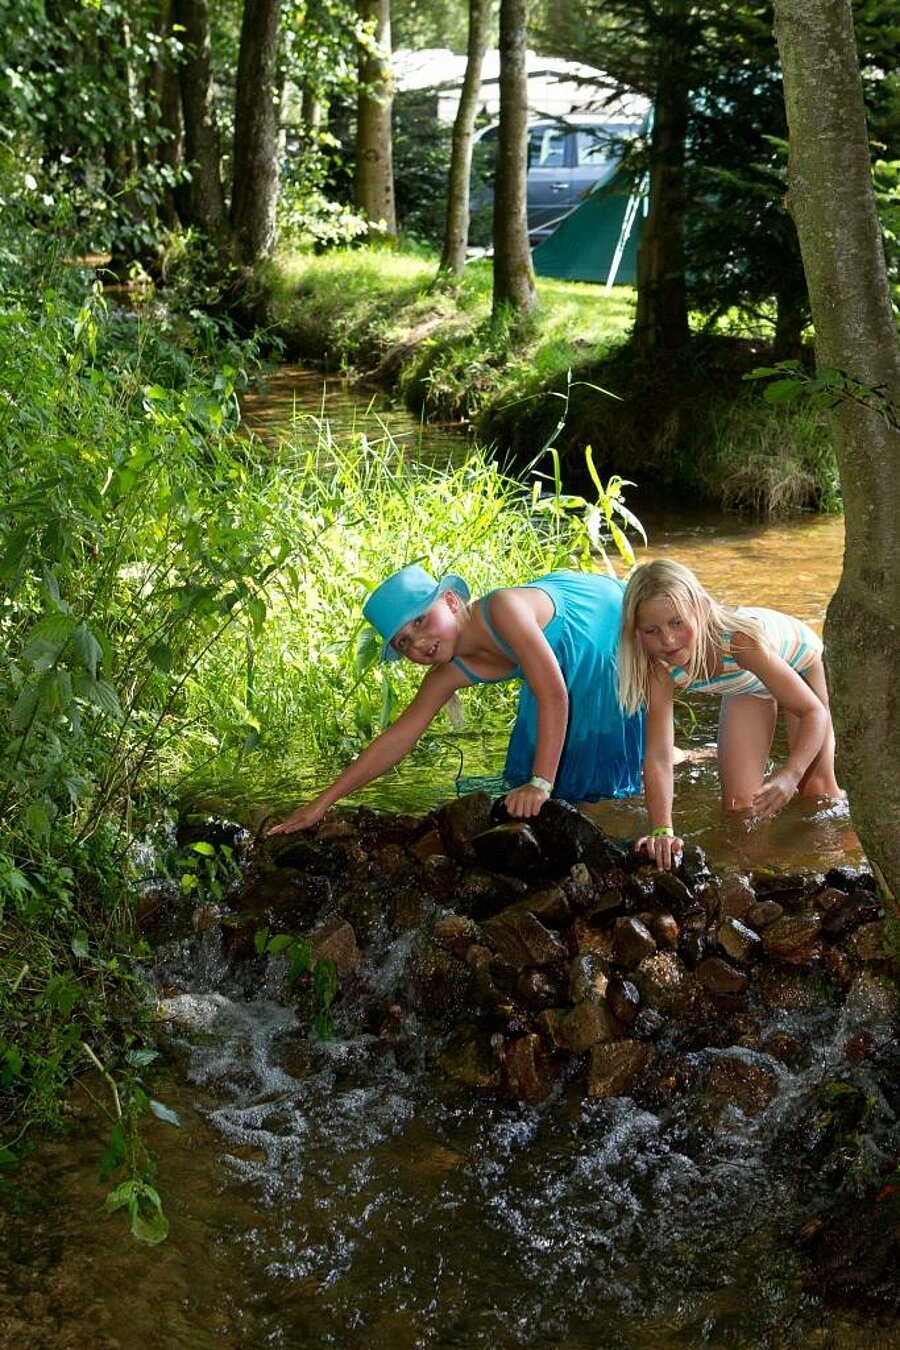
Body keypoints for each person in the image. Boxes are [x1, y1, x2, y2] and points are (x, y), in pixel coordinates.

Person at [269, 563, 644, 835]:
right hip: (551, 664)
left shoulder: (502, 608)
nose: (416, 642)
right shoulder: (447, 673)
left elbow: (554, 695)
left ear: (450, 601)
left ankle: (656, 770)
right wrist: (322, 803)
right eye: (402, 642)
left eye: (419, 621)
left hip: (597, 626)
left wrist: (540, 784)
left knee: (583, 770)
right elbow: (397, 740)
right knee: (554, 774)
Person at [617, 559, 842, 870]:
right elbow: (657, 755)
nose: (667, 640)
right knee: (740, 808)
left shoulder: (739, 642)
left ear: (702, 609)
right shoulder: (659, 669)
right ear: (636, 633)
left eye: (677, 623)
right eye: (651, 630)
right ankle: (760, 874)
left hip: (801, 665)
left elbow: (813, 712)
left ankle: (846, 860)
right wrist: (662, 830)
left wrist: (791, 774)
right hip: (747, 686)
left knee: (814, 791)